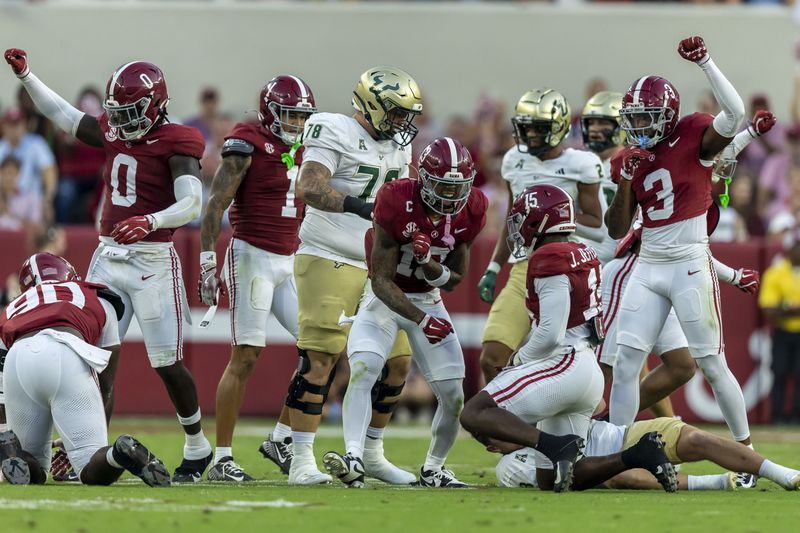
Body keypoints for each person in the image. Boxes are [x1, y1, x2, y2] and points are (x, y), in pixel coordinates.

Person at [4, 48, 213, 483]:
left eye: (131, 110)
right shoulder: (116, 130)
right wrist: (28, 77)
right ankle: (89, 447)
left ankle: (197, 444)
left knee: (166, 362)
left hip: (153, 261)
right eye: (116, 112)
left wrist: (151, 220)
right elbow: (64, 114)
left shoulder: (179, 141)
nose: (120, 121)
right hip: (107, 257)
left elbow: (192, 201)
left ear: (156, 105)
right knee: (89, 358)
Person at [462, 183, 676, 493]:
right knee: (551, 479)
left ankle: (553, 445)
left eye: (524, 218)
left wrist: (518, 361)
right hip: (585, 367)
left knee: (474, 412)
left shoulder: (549, 256)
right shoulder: (582, 251)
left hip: (564, 365)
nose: (519, 226)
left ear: (540, 221)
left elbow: (550, 334)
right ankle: (636, 455)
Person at [605, 37, 752, 454]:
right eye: (634, 118)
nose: (639, 127)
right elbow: (618, 229)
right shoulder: (629, 157)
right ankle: (617, 454)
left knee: (711, 363)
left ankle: (746, 451)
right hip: (648, 264)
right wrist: (623, 181)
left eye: (647, 118)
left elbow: (736, 113)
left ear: (669, 116)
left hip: (689, 262)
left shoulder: (693, 135)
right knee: (626, 364)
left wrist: (706, 62)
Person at [283, 66, 422, 485]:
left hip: (379, 265)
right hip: (329, 254)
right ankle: (300, 458)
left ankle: (373, 452)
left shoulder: (399, 149)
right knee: (321, 358)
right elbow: (308, 186)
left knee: (398, 362)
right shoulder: (333, 128)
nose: (402, 123)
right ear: (372, 105)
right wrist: (365, 209)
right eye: (397, 113)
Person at [324, 137, 487, 488]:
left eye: (457, 187)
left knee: (454, 395)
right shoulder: (395, 198)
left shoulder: (473, 207)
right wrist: (422, 319)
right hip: (384, 299)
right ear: (425, 179)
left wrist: (428, 262)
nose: (449, 196)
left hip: (428, 298)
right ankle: (353, 456)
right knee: (365, 367)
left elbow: (454, 280)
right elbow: (381, 281)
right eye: (442, 185)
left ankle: (434, 468)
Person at [199, 75, 316, 481]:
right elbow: (216, 203)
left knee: (320, 349)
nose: (297, 124)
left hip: (291, 258)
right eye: (290, 115)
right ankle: (223, 458)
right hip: (253, 256)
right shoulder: (247, 141)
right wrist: (207, 263)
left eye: (302, 117)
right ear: (269, 112)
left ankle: (281, 437)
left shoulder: (308, 146)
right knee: (246, 355)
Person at [0, 253, 170, 487]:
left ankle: (10, 452)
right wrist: (86, 435)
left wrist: (5, 429)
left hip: (17, 358)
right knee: (90, 469)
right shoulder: (96, 295)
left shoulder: (12, 307)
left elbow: (1, 390)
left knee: (34, 472)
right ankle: (118, 454)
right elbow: (106, 383)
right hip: (65, 350)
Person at [477, 88, 605, 382]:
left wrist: (552, 217)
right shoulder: (513, 160)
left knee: (562, 363)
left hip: (568, 269)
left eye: (538, 128)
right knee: (493, 357)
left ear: (558, 127)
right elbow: (513, 220)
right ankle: (503, 426)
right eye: (526, 127)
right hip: (525, 267)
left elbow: (597, 225)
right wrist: (494, 268)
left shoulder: (581, 164)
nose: (530, 134)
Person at [492, 417, 800, 491]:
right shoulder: (509, 466)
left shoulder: (536, 406)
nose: (511, 429)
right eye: (499, 433)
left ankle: (783, 474)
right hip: (601, 470)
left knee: (694, 438)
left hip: (623, 434)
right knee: (624, 476)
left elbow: (597, 404)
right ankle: (723, 481)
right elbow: (561, 481)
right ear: (492, 445)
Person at [759, 230, 800, 424]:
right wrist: (787, 308)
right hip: (783, 332)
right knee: (780, 372)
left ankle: (796, 417)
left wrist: (785, 307)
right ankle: (777, 416)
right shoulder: (776, 272)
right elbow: (768, 307)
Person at [0, 107, 57, 224]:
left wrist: (48, 200)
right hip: (4, 200)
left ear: (24, 125)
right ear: (4, 126)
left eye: (17, 124)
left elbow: (49, 172)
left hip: (31, 202)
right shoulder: (1, 147)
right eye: (10, 124)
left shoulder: (36, 144)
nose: (14, 129)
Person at [0, 156, 42, 230]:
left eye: (12, 173)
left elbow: (35, 226)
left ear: (19, 174)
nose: (9, 177)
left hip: (20, 239)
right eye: (5, 173)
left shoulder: (31, 198)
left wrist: (9, 213)